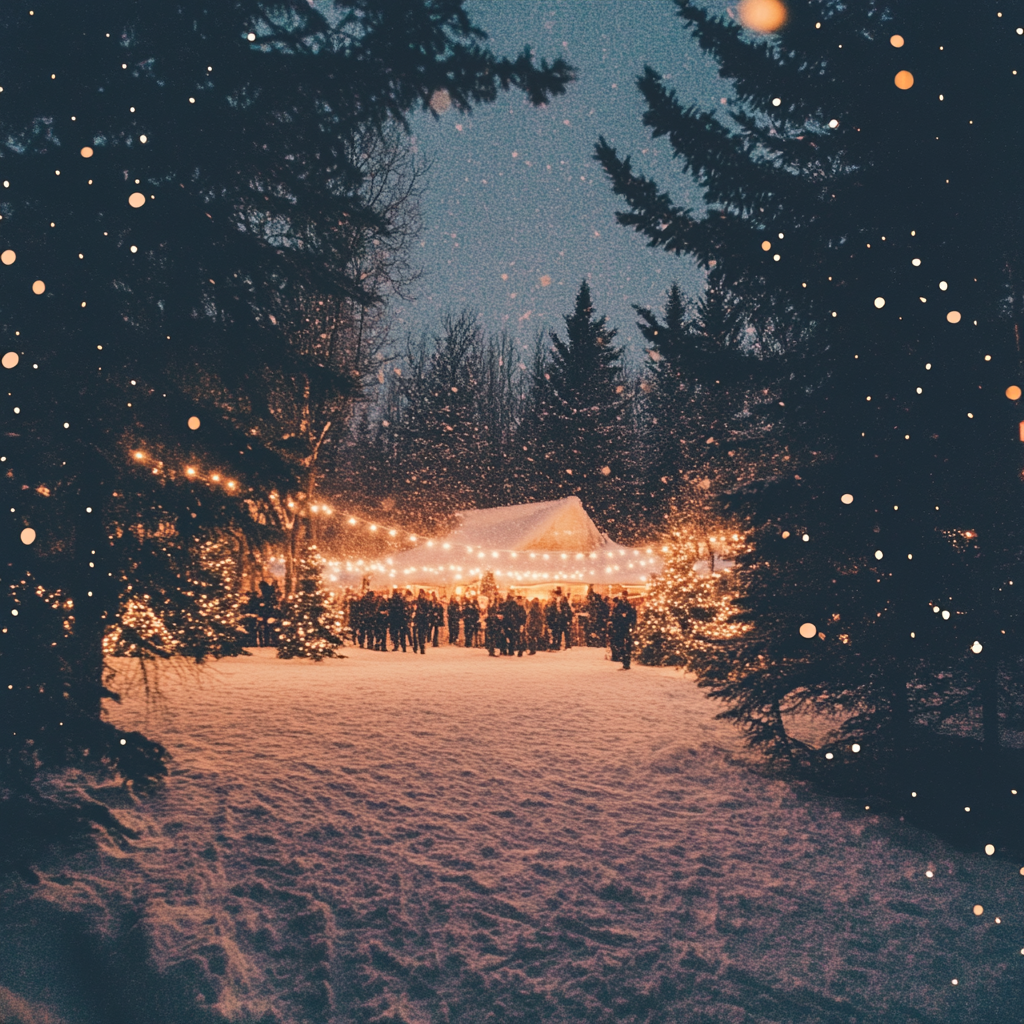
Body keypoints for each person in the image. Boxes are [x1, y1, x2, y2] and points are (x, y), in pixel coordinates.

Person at [609, 590, 637, 669]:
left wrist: (614, 621)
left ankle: (624, 661)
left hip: (621, 627)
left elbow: (618, 616)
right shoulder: (627, 605)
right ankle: (624, 661)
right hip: (623, 627)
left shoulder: (623, 606)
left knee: (621, 644)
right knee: (623, 645)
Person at [388, 587, 408, 652]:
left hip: (394, 619)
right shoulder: (402, 600)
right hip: (401, 619)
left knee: (394, 633)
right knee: (402, 634)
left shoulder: (392, 601)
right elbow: (405, 609)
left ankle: (396, 645)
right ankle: (403, 646)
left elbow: (390, 609)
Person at [413, 589, 432, 655]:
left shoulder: (425, 602)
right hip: (419, 620)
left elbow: (429, 610)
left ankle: (421, 646)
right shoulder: (418, 602)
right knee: (418, 634)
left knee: (422, 634)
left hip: (423, 620)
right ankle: (418, 646)